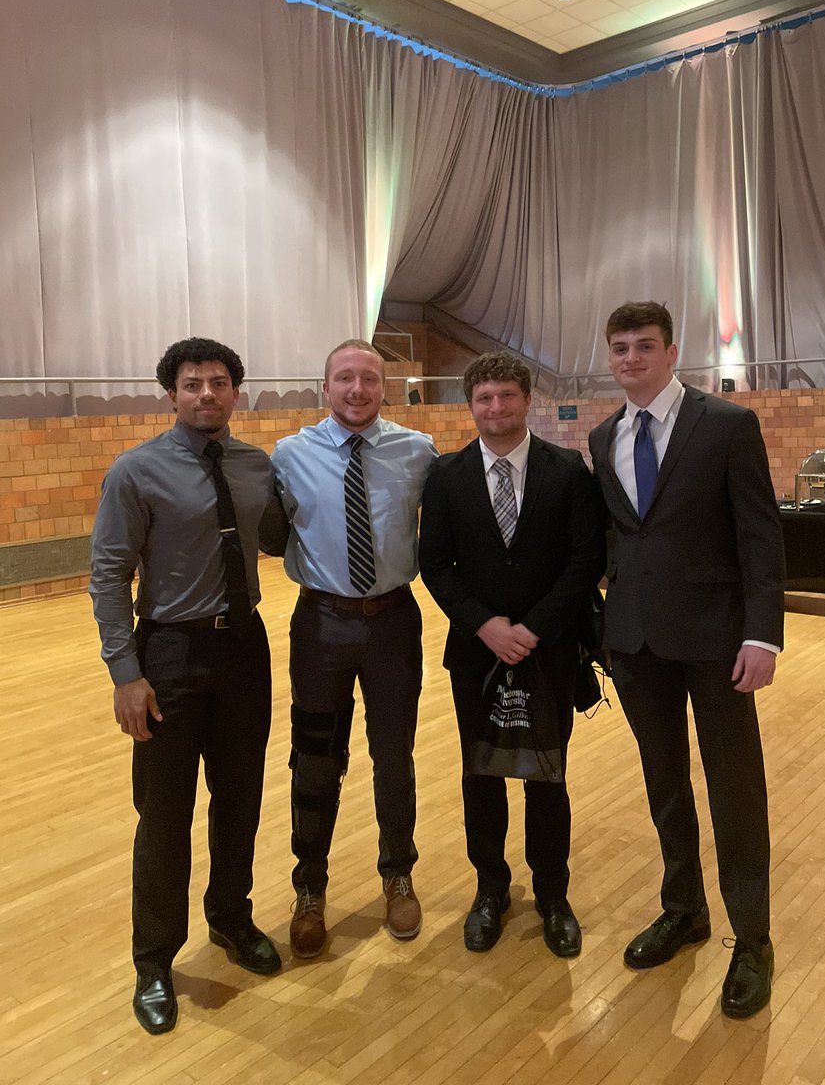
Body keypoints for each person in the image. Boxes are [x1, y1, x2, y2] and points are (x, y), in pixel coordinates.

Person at [588, 301, 785, 1019]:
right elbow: (620, 539)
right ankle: (684, 907)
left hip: (718, 640)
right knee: (664, 779)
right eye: (620, 348)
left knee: (736, 786)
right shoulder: (605, 434)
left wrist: (762, 634)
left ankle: (753, 938)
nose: (631, 358)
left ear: (673, 352)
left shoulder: (726, 425)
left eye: (644, 346)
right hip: (636, 641)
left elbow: (760, 536)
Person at [89, 337, 289, 1035]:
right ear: (171, 394)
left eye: (220, 383)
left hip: (244, 647)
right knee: (166, 815)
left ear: (237, 392)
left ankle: (231, 917)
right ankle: (154, 961)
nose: (207, 394)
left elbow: (277, 539)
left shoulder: (256, 465)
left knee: (240, 799)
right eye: (193, 383)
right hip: (170, 652)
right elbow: (109, 576)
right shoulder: (135, 472)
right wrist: (126, 675)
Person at [418, 351, 605, 958]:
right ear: (470, 405)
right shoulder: (445, 476)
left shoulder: (568, 471)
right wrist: (486, 627)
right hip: (477, 655)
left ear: (527, 402)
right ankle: (490, 889)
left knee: (548, 776)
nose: (495, 408)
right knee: (483, 773)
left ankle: (554, 893)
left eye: (506, 397)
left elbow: (586, 561)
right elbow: (434, 564)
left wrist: (532, 629)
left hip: (549, 652)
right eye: (484, 398)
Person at [271, 339, 437, 959]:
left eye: (369, 378)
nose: (357, 389)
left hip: (393, 623)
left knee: (395, 755)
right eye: (345, 378)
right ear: (326, 387)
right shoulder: (288, 455)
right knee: (314, 758)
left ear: (384, 387)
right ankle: (309, 888)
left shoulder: (418, 452)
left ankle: (398, 873)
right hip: (320, 626)